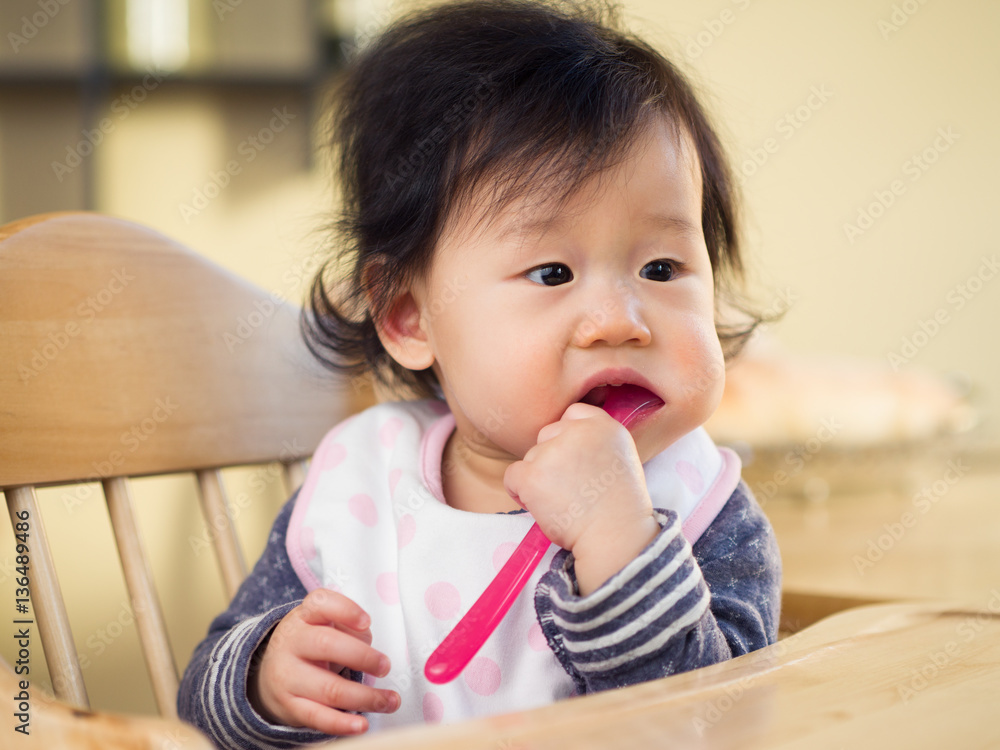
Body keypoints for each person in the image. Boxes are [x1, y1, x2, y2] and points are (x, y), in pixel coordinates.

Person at [177, 1, 781, 746]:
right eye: (552, 272)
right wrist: (266, 679)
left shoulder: (701, 507)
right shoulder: (362, 485)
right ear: (409, 316)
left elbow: (717, 725)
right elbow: (200, 703)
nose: (620, 320)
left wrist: (621, 543)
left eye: (662, 267)